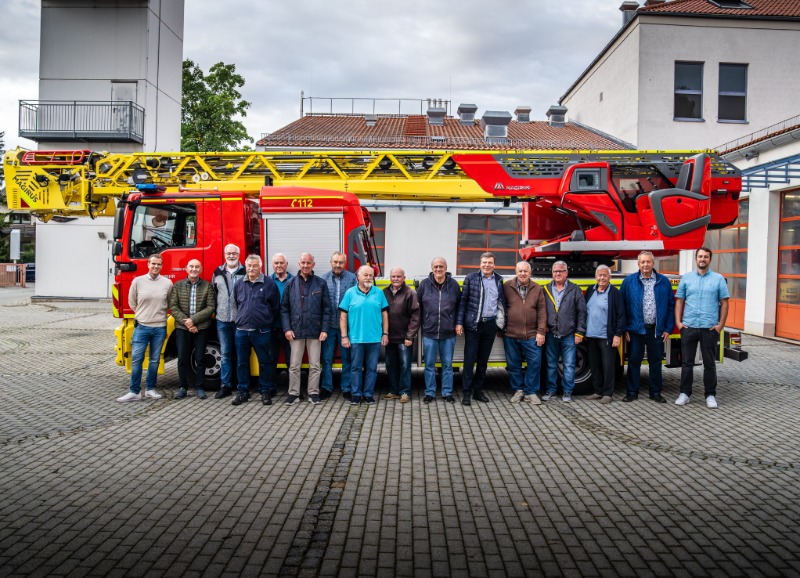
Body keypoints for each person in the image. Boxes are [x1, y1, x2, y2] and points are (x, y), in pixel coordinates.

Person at [674, 247, 730, 409]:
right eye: (700, 256)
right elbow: (679, 301)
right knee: (687, 363)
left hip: (709, 328)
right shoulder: (687, 278)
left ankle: (710, 395)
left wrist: (720, 325)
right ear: (695, 258)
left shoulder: (718, 279)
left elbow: (725, 303)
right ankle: (685, 394)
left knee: (709, 364)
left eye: (705, 257)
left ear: (709, 259)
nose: (702, 259)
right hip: (689, 326)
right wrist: (679, 323)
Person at [620, 251, 675, 403]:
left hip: (656, 330)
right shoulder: (629, 281)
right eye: (643, 262)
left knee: (656, 362)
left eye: (648, 262)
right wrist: (625, 328)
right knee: (634, 361)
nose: (645, 264)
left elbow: (671, 305)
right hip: (635, 329)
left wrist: (667, 328)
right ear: (638, 264)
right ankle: (632, 392)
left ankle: (655, 392)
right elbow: (621, 306)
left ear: (653, 263)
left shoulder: (663, 281)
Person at [117, 254, 173, 402]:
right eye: (153, 264)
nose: (156, 267)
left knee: (154, 360)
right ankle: (134, 391)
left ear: (162, 266)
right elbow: (132, 302)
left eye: (159, 264)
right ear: (148, 264)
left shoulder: (167, 283)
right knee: (137, 359)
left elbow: (170, 304)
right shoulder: (138, 281)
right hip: (142, 326)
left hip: (160, 327)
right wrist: (142, 315)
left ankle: (150, 389)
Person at [456, 252, 506, 406]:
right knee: (469, 360)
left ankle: (478, 391)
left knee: (483, 361)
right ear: (480, 263)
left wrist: (501, 325)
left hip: (490, 325)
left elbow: (501, 302)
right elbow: (463, 302)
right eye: (484, 262)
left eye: (490, 262)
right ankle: (466, 393)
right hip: (473, 324)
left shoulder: (499, 280)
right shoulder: (471, 278)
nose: (487, 265)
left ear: (494, 264)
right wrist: (459, 323)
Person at [281, 253, 331, 406]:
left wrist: (324, 329)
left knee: (315, 365)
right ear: (299, 263)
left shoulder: (320, 284)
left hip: (315, 331)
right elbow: (284, 309)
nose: (305, 265)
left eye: (308, 263)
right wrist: (287, 328)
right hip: (295, 331)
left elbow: (326, 309)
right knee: (294, 365)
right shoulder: (291, 283)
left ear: (313, 265)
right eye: (303, 262)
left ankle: (313, 393)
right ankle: (293, 393)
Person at [232, 255, 280, 406]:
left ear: (260, 267)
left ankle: (265, 391)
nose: (251, 268)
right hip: (242, 331)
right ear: (245, 267)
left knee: (264, 362)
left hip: (262, 331)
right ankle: (243, 392)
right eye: (249, 266)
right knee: (241, 363)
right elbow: (235, 304)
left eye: (254, 266)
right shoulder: (239, 284)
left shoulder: (269, 283)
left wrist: (265, 321)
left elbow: (275, 306)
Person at [339, 265, 389, 405]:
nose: (368, 278)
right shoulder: (350, 293)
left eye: (370, 275)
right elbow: (343, 316)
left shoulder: (379, 293)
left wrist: (385, 333)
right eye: (365, 275)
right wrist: (344, 336)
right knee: (355, 368)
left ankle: (368, 394)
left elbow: (384, 315)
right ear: (358, 277)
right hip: (356, 338)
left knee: (372, 368)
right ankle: (355, 394)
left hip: (374, 338)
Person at [169, 259, 216, 400]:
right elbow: (173, 307)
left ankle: (199, 387)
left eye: (197, 267)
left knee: (200, 358)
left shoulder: (207, 286)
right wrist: (187, 323)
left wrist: (193, 321)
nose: (194, 269)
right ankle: (183, 387)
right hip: (182, 328)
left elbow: (210, 307)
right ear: (186, 269)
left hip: (201, 327)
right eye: (191, 267)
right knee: (182, 358)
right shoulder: (177, 286)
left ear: (201, 269)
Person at [417, 257, 461, 403]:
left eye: (441, 266)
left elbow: (460, 307)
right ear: (432, 268)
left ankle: (447, 392)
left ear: (446, 268)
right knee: (429, 365)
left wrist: (458, 323)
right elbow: (418, 308)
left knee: (447, 365)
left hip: (448, 333)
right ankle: (429, 392)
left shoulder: (454, 285)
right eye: (435, 266)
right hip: (429, 332)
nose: (438, 269)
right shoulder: (424, 285)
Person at [542, 261, 586, 403]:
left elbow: (582, 312)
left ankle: (567, 392)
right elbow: (541, 311)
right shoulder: (546, 289)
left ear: (567, 273)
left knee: (569, 365)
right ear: (552, 273)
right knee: (551, 365)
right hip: (551, 334)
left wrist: (579, 332)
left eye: (561, 271)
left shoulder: (574, 289)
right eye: (555, 271)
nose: (558, 273)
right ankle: (551, 390)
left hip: (568, 334)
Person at [503, 261, 546, 406]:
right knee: (513, 365)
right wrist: (500, 329)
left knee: (534, 364)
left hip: (532, 335)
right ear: (516, 271)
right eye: (520, 271)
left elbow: (542, 312)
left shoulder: (537, 288)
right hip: (511, 334)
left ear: (530, 272)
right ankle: (518, 390)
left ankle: (531, 392)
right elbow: (499, 307)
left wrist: (541, 331)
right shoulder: (506, 286)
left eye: (525, 271)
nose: (522, 274)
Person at [584, 264, 625, 404]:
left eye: (605, 275)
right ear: (595, 277)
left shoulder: (614, 293)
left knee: (608, 366)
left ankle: (608, 393)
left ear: (609, 277)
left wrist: (617, 335)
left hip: (606, 336)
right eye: (599, 275)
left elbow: (621, 316)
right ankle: (597, 391)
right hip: (591, 336)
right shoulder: (590, 290)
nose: (602, 278)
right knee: (594, 365)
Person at [321, 252, 357, 399]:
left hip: (346, 327)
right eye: (335, 262)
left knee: (346, 359)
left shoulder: (352, 278)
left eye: (340, 262)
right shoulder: (323, 279)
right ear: (330, 262)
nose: (337, 265)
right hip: (328, 326)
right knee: (327, 359)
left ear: (345, 263)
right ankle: (326, 387)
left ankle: (346, 388)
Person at [212, 244, 246, 399]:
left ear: (239, 254)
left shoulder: (245, 271)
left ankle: (241, 387)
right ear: (224, 254)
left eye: (234, 253)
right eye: (229, 253)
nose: (231, 255)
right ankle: (225, 386)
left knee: (241, 354)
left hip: (240, 321)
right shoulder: (217, 272)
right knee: (225, 354)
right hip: (222, 320)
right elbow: (213, 294)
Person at [382, 267, 420, 404]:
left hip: (404, 338)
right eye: (393, 276)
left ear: (404, 277)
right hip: (389, 337)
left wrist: (410, 336)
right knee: (390, 365)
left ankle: (405, 392)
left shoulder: (410, 293)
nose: (396, 279)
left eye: (399, 276)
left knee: (405, 366)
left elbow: (416, 316)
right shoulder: (384, 292)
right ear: (390, 278)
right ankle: (393, 391)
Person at [270, 252, 293, 396]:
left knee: (292, 360)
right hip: (272, 327)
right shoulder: (267, 281)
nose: (279, 266)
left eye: (281, 263)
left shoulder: (294, 281)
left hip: (290, 328)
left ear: (286, 265)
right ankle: (271, 388)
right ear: (273, 265)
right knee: (271, 359)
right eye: (276, 263)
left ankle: (294, 389)